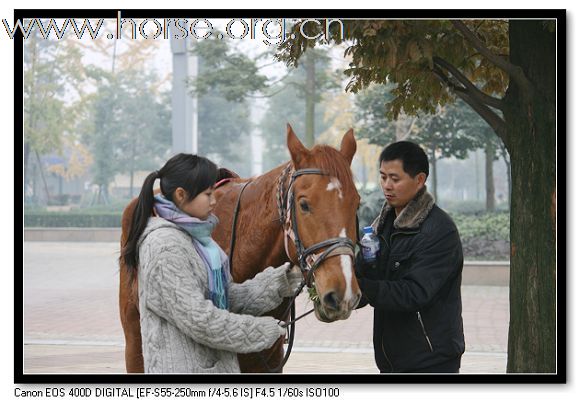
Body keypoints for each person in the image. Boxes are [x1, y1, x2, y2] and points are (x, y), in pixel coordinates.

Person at [121, 153, 303, 373]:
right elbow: (200, 320)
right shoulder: (164, 247)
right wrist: (262, 331)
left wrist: (282, 281)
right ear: (181, 195)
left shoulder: (198, 240)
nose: (214, 200)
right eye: (207, 194)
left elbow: (225, 299)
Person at [355, 141, 465, 373]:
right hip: (390, 361)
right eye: (383, 177)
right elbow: (365, 276)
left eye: (395, 179)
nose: (387, 186)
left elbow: (414, 293)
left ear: (419, 180)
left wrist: (361, 287)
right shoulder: (380, 228)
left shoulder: (439, 231)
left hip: (432, 361)